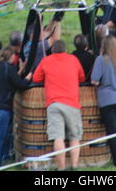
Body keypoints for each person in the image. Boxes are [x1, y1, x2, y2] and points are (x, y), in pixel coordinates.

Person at [33, 40, 85, 171]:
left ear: (53, 50)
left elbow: (36, 78)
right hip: (72, 103)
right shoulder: (73, 59)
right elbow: (82, 78)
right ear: (65, 49)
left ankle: (61, 168)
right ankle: (74, 166)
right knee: (74, 137)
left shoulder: (46, 60)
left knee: (58, 137)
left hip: (54, 103)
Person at [0, 45, 32, 168]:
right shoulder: (8, 68)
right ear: (11, 57)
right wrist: (28, 77)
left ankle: (0, 160)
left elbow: (10, 79)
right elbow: (20, 85)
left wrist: (19, 71)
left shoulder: (0, 66)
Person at [91, 35, 116, 168]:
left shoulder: (100, 60)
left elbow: (94, 80)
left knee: (113, 132)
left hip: (107, 99)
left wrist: (102, 82)